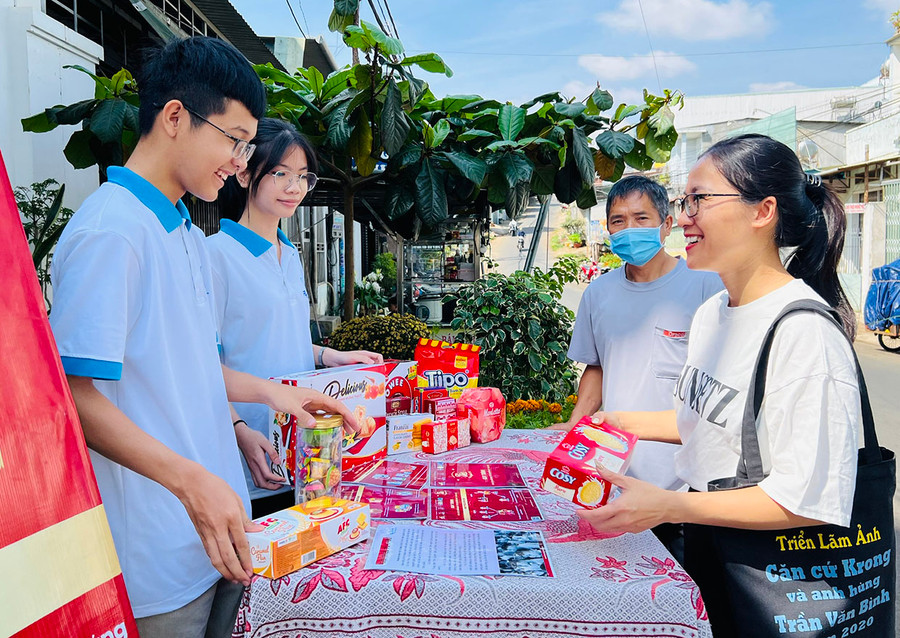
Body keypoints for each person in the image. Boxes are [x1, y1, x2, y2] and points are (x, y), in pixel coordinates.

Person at [49, 37, 357, 638]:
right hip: (156, 553)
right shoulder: (112, 232)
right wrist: (189, 482)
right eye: (234, 140)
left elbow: (188, 369)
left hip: (217, 536)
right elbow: (74, 398)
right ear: (173, 118)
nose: (241, 162)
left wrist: (277, 395)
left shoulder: (185, 230)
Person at [575, 134, 860, 633]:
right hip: (711, 544)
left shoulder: (804, 332)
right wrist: (613, 420)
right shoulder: (714, 313)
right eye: (686, 202)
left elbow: (804, 499)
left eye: (699, 200)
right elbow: (706, 425)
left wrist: (670, 505)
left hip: (766, 572)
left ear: (762, 211)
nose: (683, 217)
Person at [209, 118, 382, 518]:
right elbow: (202, 364)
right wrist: (240, 432)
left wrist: (328, 356)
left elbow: (272, 337)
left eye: (304, 176)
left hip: (306, 446)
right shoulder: (214, 256)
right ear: (245, 173)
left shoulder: (289, 253)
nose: (294, 188)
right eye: (280, 173)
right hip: (251, 450)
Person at [553, 175, 722, 560]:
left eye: (641, 218)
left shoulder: (706, 287)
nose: (629, 229)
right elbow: (595, 368)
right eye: (618, 221)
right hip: (611, 476)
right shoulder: (598, 293)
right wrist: (576, 423)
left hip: (680, 488)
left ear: (666, 224)